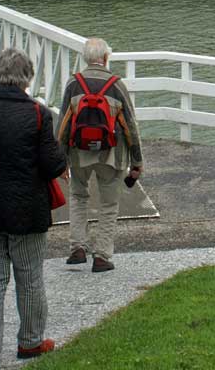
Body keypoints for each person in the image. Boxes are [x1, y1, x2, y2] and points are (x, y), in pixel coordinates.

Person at [0, 48, 67, 368]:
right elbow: (51, 165)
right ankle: (30, 341)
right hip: (26, 209)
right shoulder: (38, 114)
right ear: (27, 77)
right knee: (29, 276)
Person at [58, 38, 143, 273]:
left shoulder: (73, 84)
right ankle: (102, 256)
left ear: (86, 58)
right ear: (106, 58)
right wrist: (137, 161)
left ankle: (78, 248)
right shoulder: (116, 85)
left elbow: (63, 124)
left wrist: (61, 159)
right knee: (108, 204)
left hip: (78, 153)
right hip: (111, 155)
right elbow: (131, 126)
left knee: (78, 196)